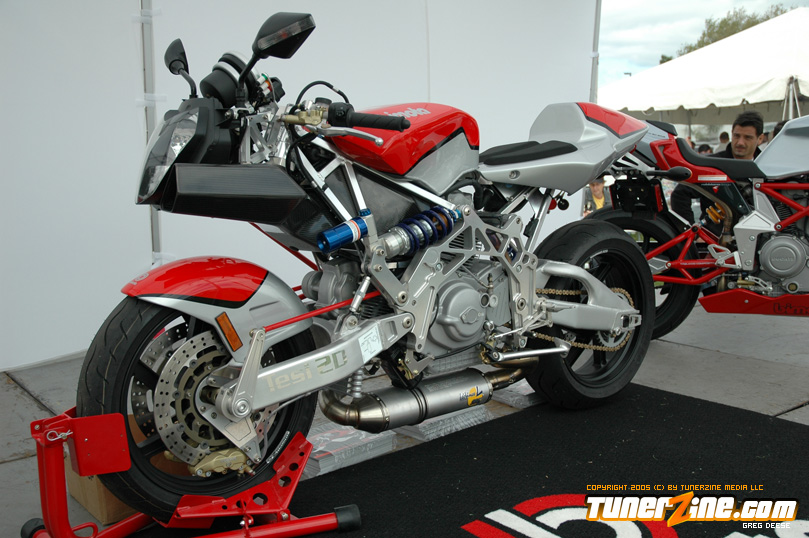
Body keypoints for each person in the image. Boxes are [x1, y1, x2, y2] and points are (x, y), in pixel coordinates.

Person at [670, 111, 764, 225]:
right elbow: (680, 194)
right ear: (731, 134)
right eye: (736, 136)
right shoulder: (712, 164)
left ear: (760, 139)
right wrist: (689, 228)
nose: (740, 142)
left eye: (747, 137)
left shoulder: (768, 169)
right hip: (715, 235)